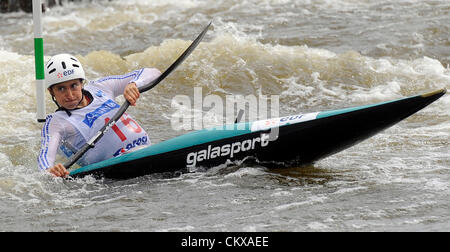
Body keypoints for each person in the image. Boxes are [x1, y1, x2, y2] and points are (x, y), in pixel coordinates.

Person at [37, 53, 161, 177]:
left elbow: (154, 72)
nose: (69, 95)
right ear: (51, 91)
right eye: (61, 89)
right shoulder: (56, 123)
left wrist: (134, 84)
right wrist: (50, 170)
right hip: (116, 172)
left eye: (74, 86)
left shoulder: (100, 88)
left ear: (81, 83)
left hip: (146, 149)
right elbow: (45, 159)